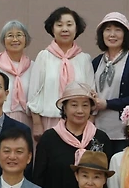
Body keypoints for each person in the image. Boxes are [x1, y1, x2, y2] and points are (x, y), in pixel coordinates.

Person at [32, 81, 111, 188]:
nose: (80, 110)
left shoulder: (101, 138)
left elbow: (107, 179)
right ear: (64, 107)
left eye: (85, 105)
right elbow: (38, 179)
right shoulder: (49, 138)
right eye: (74, 105)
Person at [28, 7, 95, 139]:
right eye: (59, 25)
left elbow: (91, 93)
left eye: (69, 25)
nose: (64, 29)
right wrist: (37, 123)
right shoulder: (44, 56)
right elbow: (34, 92)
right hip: (49, 121)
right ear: (52, 29)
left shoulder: (84, 59)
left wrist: (90, 122)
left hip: (79, 122)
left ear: (76, 28)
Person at [92, 12, 129, 150]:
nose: (112, 34)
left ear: (125, 34)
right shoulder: (96, 62)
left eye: (118, 30)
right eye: (108, 29)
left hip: (122, 131)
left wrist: (107, 104)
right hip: (98, 128)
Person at [0, 20, 34, 128]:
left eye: (19, 35)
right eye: (10, 35)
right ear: (3, 40)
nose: (15, 39)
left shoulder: (33, 66)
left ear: (26, 39)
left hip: (27, 120)